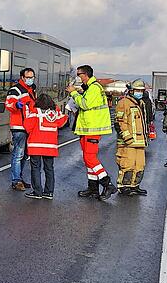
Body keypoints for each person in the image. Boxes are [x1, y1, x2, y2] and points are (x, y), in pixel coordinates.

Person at [66, 65, 116, 200]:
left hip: (92, 128)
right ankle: (93, 188)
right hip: (87, 128)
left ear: (85, 74)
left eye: (79, 74)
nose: (78, 77)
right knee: (87, 159)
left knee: (90, 158)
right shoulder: (90, 88)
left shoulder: (94, 88)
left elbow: (85, 104)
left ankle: (107, 183)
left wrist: (74, 93)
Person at [22, 93, 68, 200]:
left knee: (36, 168)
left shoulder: (35, 112)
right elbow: (62, 122)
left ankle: (37, 192)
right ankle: (49, 192)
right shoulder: (55, 112)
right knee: (49, 169)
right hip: (50, 146)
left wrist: (26, 112)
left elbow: (27, 126)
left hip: (36, 145)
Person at [115, 80, 149, 195]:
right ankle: (124, 186)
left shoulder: (141, 103)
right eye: (138, 90)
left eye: (141, 91)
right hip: (127, 142)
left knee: (140, 165)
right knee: (127, 164)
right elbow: (119, 122)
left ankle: (134, 185)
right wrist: (127, 138)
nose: (140, 92)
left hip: (139, 142)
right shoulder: (124, 102)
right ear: (131, 90)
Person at [4, 68, 36, 191]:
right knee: (18, 154)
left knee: (25, 154)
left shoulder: (31, 90)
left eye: (32, 77)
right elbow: (9, 105)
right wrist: (17, 105)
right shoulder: (15, 89)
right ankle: (16, 180)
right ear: (22, 77)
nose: (30, 79)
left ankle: (19, 178)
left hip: (29, 126)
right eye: (28, 77)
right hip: (19, 126)